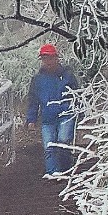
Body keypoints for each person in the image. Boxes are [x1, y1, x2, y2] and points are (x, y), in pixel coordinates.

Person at [25, 43, 82, 178]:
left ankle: (66, 170)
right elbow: (33, 100)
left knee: (63, 141)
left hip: (66, 114)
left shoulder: (68, 76)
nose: (48, 61)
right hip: (48, 117)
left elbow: (77, 95)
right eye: (45, 59)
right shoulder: (37, 80)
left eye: (50, 58)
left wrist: (80, 113)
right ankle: (52, 172)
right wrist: (31, 119)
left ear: (56, 58)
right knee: (49, 146)